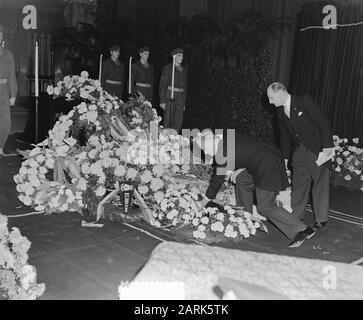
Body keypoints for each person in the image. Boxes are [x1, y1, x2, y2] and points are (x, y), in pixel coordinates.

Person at [195, 130, 315, 248]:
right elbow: (245, 150)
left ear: (210, 144)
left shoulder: (223, 153)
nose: (205, 152)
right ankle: (246, 218)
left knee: (266, 206)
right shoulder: (227, 136)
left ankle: (303, 230)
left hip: (268, 165)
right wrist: (239, 169)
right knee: (242, 178)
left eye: (204, 149)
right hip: (265, 156)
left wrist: (204, 201)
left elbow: (217, 180)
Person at [267, 82, 334, 232]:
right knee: (299, 184)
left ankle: (321, 219)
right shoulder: (279, 112)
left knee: (320, 182)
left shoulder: (304, 101)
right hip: (298, 151)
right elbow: (284, 136)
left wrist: (328, 146)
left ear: (281, 93)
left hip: (316, 149)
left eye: (271, 97)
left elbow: (323, 122)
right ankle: (297, 215)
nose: (270, 101)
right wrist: (285, 157)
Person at [159, 48, 187, 133]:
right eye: (179, 56)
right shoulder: (168, 68)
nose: (181, 57)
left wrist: (184, 102)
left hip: (180, 97)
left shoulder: (183, 69)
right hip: (169, 95)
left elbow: (185, 87)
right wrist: (162, 100)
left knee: (178, 119)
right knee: (168, 118)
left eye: (182, 56)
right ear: (174, 57)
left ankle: (174, 136)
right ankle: (166, 137)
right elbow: (162, 85)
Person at [0, 25, 17, 157]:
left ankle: (0, 146)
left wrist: (13, 95)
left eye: (0, 35)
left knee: (6, 122)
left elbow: (12, 76)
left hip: (4, 90)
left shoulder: (8, 54)